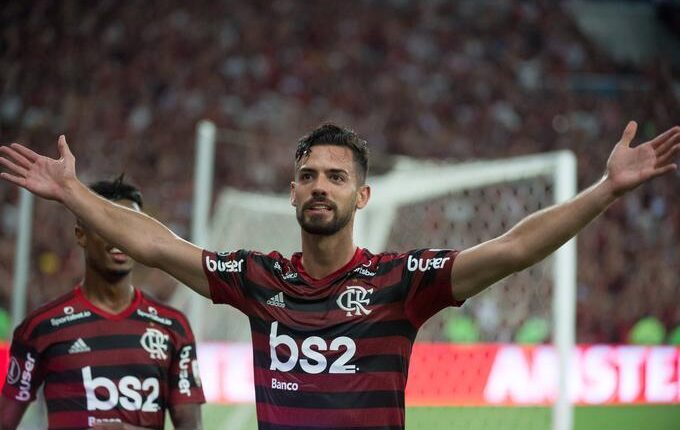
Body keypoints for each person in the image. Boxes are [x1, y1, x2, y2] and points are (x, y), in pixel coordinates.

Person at [0, 121, 678, 429]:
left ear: (362, 197)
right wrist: (74, 194)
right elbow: (155, 243)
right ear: (292, 196)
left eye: (335, 176)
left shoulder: (402, 280)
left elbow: (511, 248)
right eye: (307, 177)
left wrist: (605, 190)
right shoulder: (256, 277)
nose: (318, 186)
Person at [0, 176, 205, 430]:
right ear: (81, 235)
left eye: (130, 228)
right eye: (108, 227)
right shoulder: (41, 328)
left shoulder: (173, 327)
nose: (121, 239)